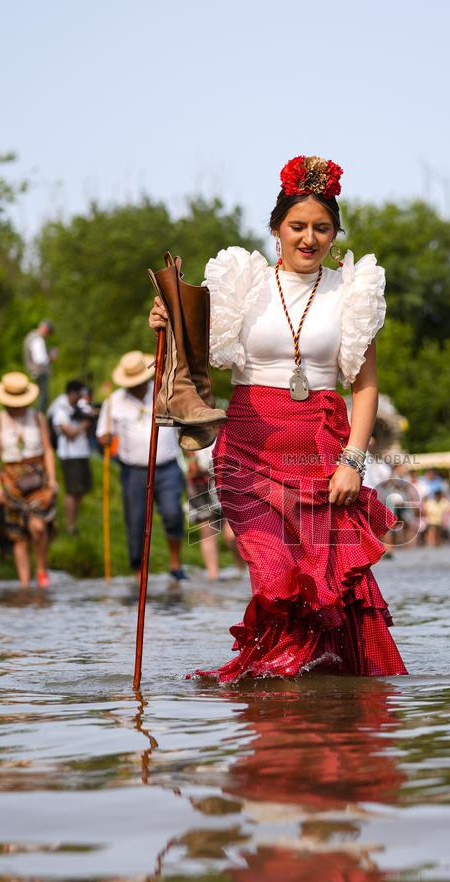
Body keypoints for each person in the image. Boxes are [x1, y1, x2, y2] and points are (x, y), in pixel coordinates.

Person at [149, 154, 407, 683]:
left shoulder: (352, 293)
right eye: (297, 226)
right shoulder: (244, 284)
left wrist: (353, 462)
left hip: (322, 446)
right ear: (275, 229)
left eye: (322, 228)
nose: (309, 238)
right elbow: (191, 356)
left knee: (328, 581)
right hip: (247, 446)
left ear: (335, 234)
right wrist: (168, 322)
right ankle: (280, 682)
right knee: (276, 576)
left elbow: (366, 386)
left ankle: (313, 699)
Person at [96, 351, 188, 582]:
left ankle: (176, 563)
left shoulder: (163, 392)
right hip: (134, 470)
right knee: (135, 519)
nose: (136, 387)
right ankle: (138, 571)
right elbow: (102, 436)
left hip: (167, 466)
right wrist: (105, 440)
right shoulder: (113, 402)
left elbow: (183, 424)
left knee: (173, 513)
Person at [0, 371, 57, 587]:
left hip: (37, 477)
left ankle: (41, 570)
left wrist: (52, 478)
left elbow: (47, 449)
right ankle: (25, 584)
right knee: (17, 534)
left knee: (38, 527)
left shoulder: (37, 418)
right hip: (11, 480)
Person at [185, 444, 246, 580]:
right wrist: (192, 460)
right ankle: (213, 577)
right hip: (200, 479)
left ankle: (242, 569)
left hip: (224, 476)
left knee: (231, 535)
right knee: (207, 531)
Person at [48, 379, 93, 534]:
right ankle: (69, 525)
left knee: (80, 491)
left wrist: (89, 420)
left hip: (82, 453)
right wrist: (85, 424)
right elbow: (69, 433)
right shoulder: (60, 410)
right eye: (79, 392)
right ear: (72, 392)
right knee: (72, 491)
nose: (81, 396)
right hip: (69, 455)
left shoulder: (80, 408)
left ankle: (73, 523)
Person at [22, 320, 56, 412]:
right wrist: (51, 357)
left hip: (33, 372)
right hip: (39, 372)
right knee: (42, 398)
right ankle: (38, 418)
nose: (48, 335)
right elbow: (40, 359)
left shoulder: (32, 336)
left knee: (36, 397)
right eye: (48, 332)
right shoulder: (37, 339)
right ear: (45, 329)